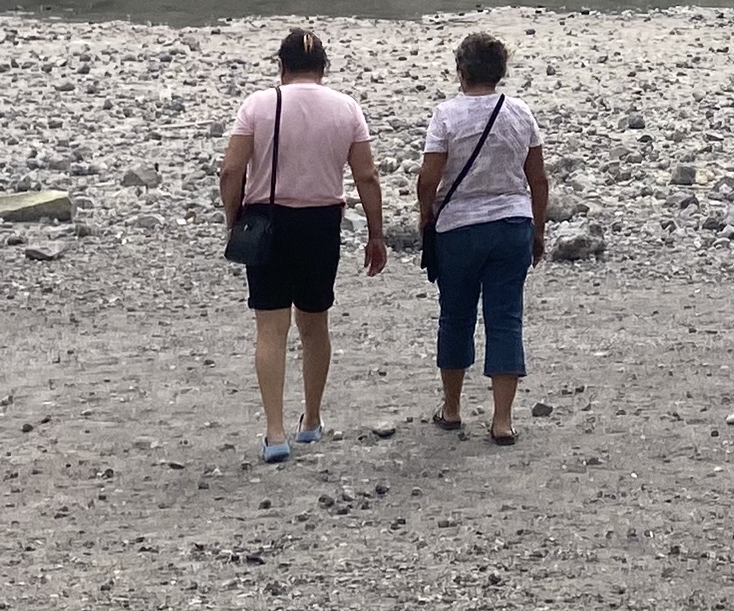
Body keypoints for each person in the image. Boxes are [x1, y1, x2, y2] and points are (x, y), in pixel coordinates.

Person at [217, 27, 385, 463]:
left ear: (282, 66)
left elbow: (231, 170)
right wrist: (375, 231)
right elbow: (366, 175)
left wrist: (233, 218)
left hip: (267, 218)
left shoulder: (258, 104)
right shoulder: (347, 107)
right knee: (315, 325)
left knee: (270, 328)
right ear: (323, 68)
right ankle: (310, 419)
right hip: (321, 222)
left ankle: (275, 432)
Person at [416, 30, 549, 443]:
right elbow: (539, 180)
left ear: (462, 71)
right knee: (505, 318)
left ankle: (453, 408)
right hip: (512, 224)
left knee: (455, 316)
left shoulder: (446, 116)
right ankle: (502, 420)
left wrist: (427, 216)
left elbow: (428, 178)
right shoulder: (520, 113)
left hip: (458, 227)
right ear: (500, 71)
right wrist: (538, 229)